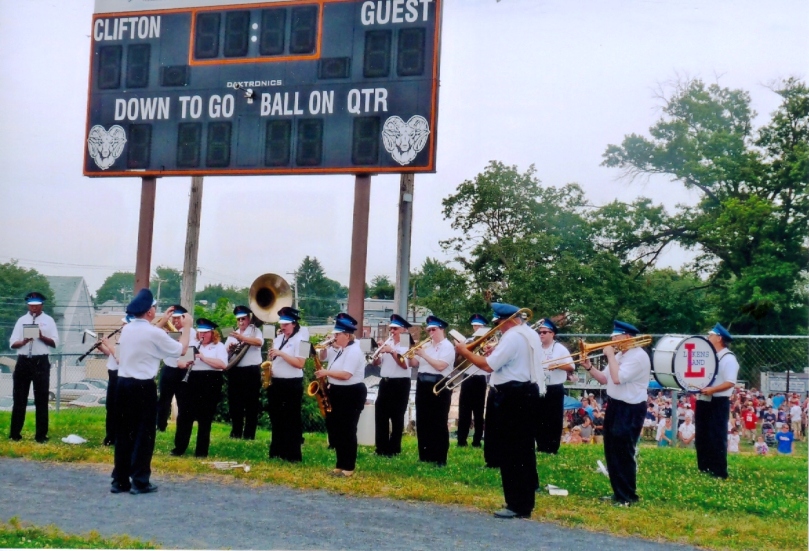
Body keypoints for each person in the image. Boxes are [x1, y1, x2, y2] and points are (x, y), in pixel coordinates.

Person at [454, 302, 544, 519]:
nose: (498, 328)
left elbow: (487, 366)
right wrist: (496, 351)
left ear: (508, 320)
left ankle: (516, 504)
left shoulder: (512, 336)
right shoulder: (529, 334)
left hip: (513, 395)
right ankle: (524, 501)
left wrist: (465, 351)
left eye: (498, 323)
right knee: (523, 450)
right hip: (527, 392)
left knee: (510, 451)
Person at [112, 288, 191, 494]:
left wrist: (163, 321)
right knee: (144, 434)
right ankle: (140, 480)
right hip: (142, 386)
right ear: (149, 312)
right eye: (154, 308)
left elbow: (148, 332)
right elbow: (181, 349)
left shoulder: (128, 329)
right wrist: (187, 328)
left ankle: (119, 480)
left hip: (123, 383)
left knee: (124, 433)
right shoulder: (153, 332)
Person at [582, 320, 650, 507]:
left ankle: (628, 495)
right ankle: (618, 493)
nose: (611, 341)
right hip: (615, 405)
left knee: (624, 451)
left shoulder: (638, 356)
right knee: (611, 449)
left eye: (615, 337)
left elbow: (617, 378)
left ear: (627, 337)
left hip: (630, 408)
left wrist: (611, 357)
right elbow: (605, 378)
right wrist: (589, 366)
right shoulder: (620, 355)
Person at [314, 315, 367, 477]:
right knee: (337, 429)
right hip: (337, 391)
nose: (334, 337)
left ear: (347, 335)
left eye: (337, 334)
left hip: (351, 392)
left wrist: (326, 372)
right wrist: (323, 349)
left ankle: (348, 467)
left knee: (348, 430)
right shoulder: (339, 349)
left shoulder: (354, 351)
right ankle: (340, 464)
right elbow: (323, 358)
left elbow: (346, 375)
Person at [171, 318, 227, 458]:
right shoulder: (193, 344)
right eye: (200, 333)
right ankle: (179, 447)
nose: (202, 336)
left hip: (211, 381)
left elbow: (222, 364)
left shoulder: (219, 346)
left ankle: (201, 451)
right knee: (185, 415)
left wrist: (203, 358)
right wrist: (185, 363)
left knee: (205, 417)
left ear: (212, 333)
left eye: (205, 333)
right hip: (192, 379)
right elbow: (180, 363)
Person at [8, 292, 59, 443]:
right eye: (31, 305)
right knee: (19, 398)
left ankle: (41, 435)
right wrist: (24, 341)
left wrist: (41, 336)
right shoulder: (21, 320)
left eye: (36, 305)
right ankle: (15, 433)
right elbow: (13, 343)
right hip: (23, 361)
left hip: (40, 361)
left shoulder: (48, 321)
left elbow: (55, 343)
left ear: (42, 305)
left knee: (41, 399)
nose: (34, 307)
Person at [410, 315, 456, 466]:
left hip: (439, 385)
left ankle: (440, 458)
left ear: (441, 329)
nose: (430, 333)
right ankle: (425, 455)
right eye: (429, 330)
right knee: (423, 421)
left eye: (433, 330)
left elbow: (440, 366)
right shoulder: (427, 346)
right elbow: (416, 363)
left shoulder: (448, 346)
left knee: (438, 421)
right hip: (423, 383)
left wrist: (424, 354)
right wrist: (410, 354)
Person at [696, 323, 739, 479]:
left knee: (716, 435)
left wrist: (712, 390)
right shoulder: (710, 356)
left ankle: (719, 470)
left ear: (719, 338)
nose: (708, 337)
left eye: (711, 335)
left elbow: (730, 382)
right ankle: (704, 467)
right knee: (702, 435)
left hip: (718, 401)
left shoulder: (728, 359)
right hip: (705, 399)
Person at [267, 306, 308, 462]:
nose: (282, 327)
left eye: (286, 324)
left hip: (292, 383)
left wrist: (281, 354)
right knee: (276, 418)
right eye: (281, 324)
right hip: (277, 382)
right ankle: (277, 451)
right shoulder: (279, 338)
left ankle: (292, 455)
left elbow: (300, 363)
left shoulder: (303, 340)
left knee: (291, 419)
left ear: (294, 323)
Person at [373, 314, 412, 456]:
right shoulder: (388, 343)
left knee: (397, 417)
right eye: (391, 329)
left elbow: (404, 365)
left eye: (395, 328)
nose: (392, 331)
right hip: (385, 382)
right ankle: (380, 448)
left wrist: (392, 351)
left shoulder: (407, 344)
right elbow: (377, 363)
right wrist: (376, 355)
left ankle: (394, 449)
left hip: (400, 383)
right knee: (381, 415)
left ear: (404, 330)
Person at [224, 306, 264, 440]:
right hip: (236, 371)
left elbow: (259, 342)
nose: (241, 322)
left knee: (251, 404)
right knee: (235, 403)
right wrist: (230, 349)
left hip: (251, 371)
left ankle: (249, 434)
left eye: (243, 319)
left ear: (249, 319)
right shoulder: (232, 334)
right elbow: (225, 355)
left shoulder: (255, 331)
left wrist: (242, 338)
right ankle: (236, 432)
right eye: (238, 319)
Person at [535, 318, 574, 454]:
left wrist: (558, 365)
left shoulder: (560, 349)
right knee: (539, 417)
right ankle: (541, 445)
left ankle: (552, 447)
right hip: (539, 386)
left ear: (552, 334)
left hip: (554, 387)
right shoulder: (536, 347)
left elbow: (571, 366)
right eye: (540, 332)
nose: (542, 335)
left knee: (554, 419)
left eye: (545, 332)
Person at [156, 305, 197, 432]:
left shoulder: (192, 332)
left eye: (178, 318)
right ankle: (160, 426)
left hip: (183, 370)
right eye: (173, 319)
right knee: (164, 400)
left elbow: (191, 350)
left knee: (183, 402)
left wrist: (182, 361)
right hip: (169, 368)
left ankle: (182, 429)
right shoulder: (167, 331)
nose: (175, 321)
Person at [456, 314, 489, 448]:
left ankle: (477, 441)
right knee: (464, 410)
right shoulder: (469, 341)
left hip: (480, 377)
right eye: (475, 326)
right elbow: (460, 360)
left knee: (478, 411)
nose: (476, 328)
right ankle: (461, 440)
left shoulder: (488, 341)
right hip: (467, 376)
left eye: (479, 326)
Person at [97, 317, 129, 446]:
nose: (121, 327)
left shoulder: (128, 340)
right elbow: (112, 355)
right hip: (112, 374)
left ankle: (114, 437)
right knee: (110, 407)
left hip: (119, 375)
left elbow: (118, 358)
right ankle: (110, 436)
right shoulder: (122, 339)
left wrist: (108, 344)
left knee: (116, 408)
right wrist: (102, 348)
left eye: (124, 324)